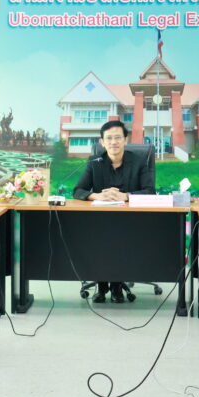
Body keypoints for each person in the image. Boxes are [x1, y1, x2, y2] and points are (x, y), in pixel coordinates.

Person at [73, 120, 155, 303]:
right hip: (101, 220)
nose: (113, 142)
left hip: (131, 220)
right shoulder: (94, 162)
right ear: (102, 142)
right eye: (108, 138)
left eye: (118, 137)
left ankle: (116, 286)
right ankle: (102, 286)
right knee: (100, 237)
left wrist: (125, 196)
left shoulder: (139, 161)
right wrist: (97, 196)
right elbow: (78, 190)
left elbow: (150, 191)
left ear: (125, 140)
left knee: (118, 237)